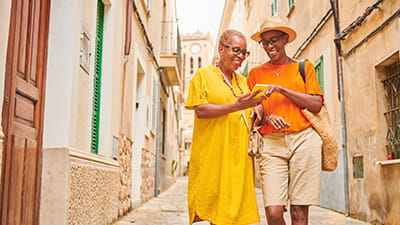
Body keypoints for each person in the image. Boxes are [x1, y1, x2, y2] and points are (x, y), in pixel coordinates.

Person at [247, 16, 324, 225]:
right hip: (271, 144)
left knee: (299, 212)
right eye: (265, 42)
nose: (269, 46)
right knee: (273, 212)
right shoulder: (255, 74)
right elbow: (252, 111)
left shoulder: (304, 67)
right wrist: (267, 116)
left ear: (285, 40)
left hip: (303, 140)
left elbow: (316, 105)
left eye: (274, 40)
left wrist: (282, 90)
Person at [185, 29, 264, 225]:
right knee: (218, 214)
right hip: (215, 155)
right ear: (221, 49)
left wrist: (258, 111)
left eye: (244, 53)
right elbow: (201, 110)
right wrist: (237, 106)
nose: (240, 57)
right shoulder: (203, 75)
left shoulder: (243, 82)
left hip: (240, 159)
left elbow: (248, 113)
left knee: (235, 215)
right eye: (236, 50)